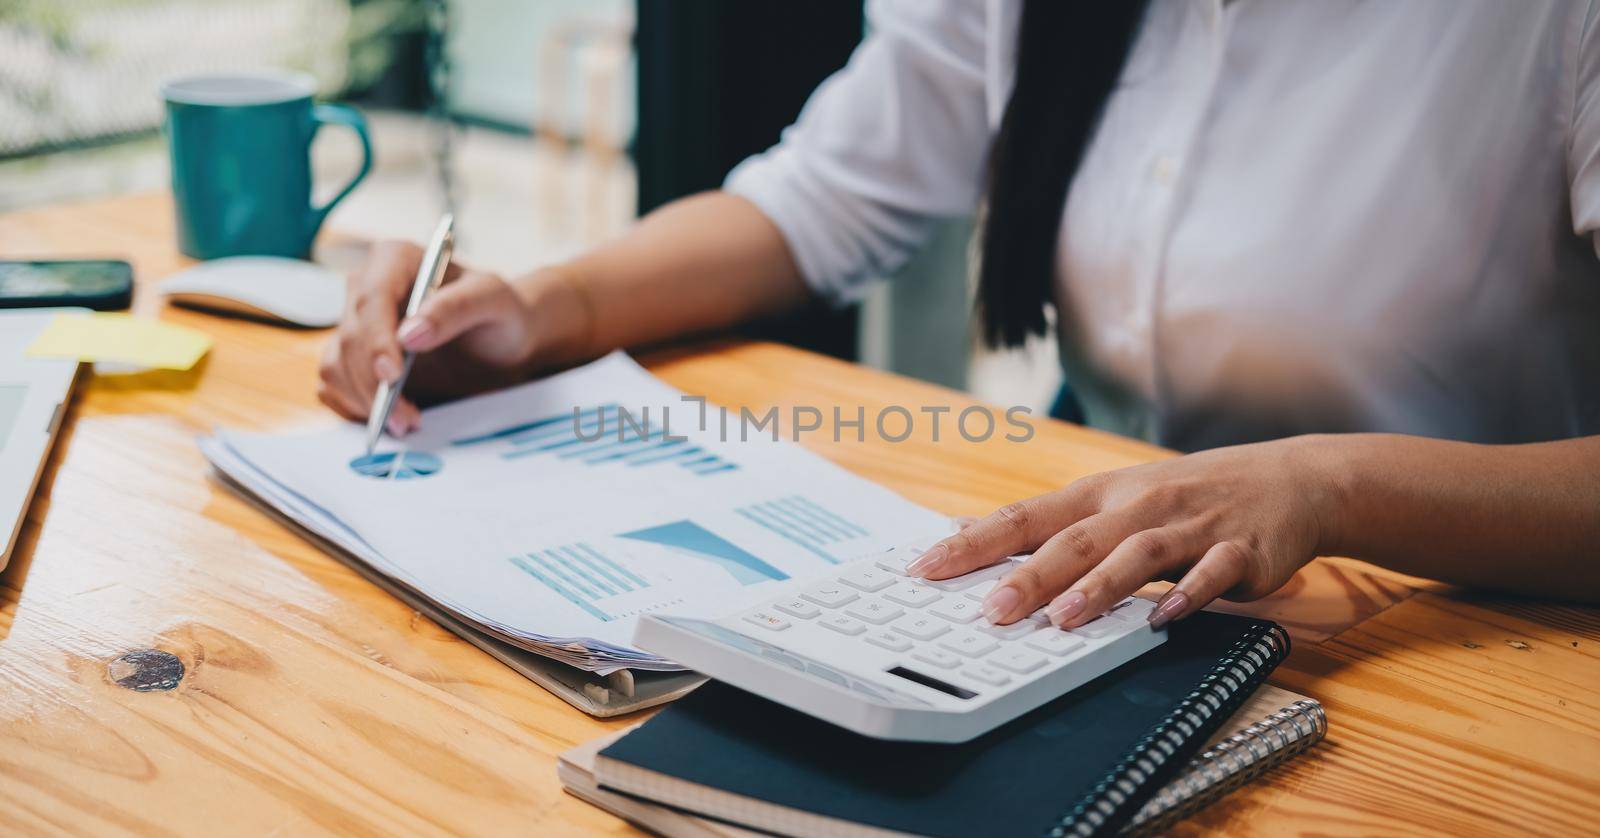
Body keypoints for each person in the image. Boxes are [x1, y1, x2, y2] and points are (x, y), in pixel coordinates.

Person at [319, 1, 1600, 632]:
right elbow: (823, 196)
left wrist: (1330, 486)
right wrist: (546, 307)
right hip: (1125, 596)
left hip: (1478, 619)